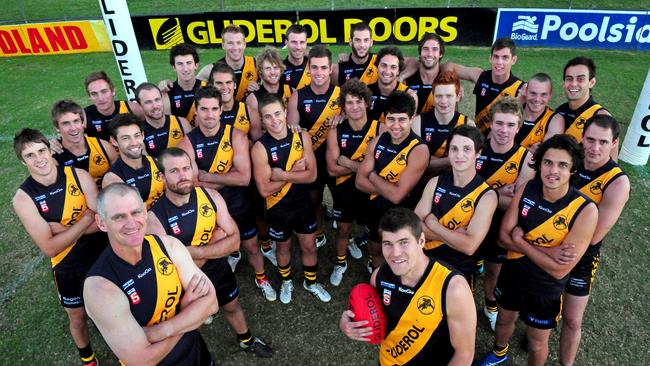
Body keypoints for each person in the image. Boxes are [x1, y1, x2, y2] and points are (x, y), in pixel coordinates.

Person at [475, 135, 598, 366]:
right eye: (548, 162)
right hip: (513, 273)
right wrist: (548, 251)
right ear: (539, 164)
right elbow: (503, 237)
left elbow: (559, 270)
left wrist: (521, 242)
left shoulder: (585, 209)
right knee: (503, 321)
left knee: (536, 343)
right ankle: (499, 353)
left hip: (545, 288)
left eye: (563, 165)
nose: (553, 170)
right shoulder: (527, 188)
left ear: (573, 170)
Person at [147, 148, 274, 357]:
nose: (183, 176)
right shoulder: (154, 218)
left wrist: (188, 252)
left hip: (219, 269)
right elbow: (171, 272)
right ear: (161, 176)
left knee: (232, 306)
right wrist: (215, 244)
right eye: (174, 171)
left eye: (186, 168)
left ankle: (246, 340)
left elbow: (234, 242)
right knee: (190, 327)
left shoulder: (210, 196)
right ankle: (193, 356)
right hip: (189, 284)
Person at [83, 183, 217, 365]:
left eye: (136, 212)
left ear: (145, 212)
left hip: (197, 355)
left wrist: (163, 330)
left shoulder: (168, 246)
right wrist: (187, 314)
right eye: (119, 217)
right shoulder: (100, 288)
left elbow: (212, 303)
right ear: (101, 223)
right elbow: (142, 360)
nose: (131, 223)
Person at [13, 128, 106, 366]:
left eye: (42, 150)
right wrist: (85, 219)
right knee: (77, 317)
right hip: (67, 264)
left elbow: (101, 222)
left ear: (50, 149)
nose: (39, 158)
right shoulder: (23, 199)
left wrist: (60, 230)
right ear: (23, 161)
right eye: (30, 155)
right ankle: (88, 359)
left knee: (116, 300)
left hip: (101, 251)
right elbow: (50, 248)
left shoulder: (78, 176)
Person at [340, 207, 476, 365]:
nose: (395, 253)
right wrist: (348, 324)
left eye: (403, 243)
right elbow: (372, 318)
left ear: (421, 241)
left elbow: (464, 355)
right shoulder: (379, 276)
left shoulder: (454, 288)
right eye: (388, 244)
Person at [559, 115, 629, 366]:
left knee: (572, 319)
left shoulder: (617, 182)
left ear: (613, 143)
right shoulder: (569, 161)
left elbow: (595, 234)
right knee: (543, 303)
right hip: (548, 243)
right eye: (589, 139)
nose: (594, 148)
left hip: (582, 254)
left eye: (603, 142)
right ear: (582, 137)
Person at [176, 87, 265, 282]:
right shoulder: (187, 142)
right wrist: (227, 176)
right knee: (215, 246)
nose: (209, 115)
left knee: (252, 245)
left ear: (221, 110)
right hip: (209, 208)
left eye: (214, 109)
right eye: (204, 109)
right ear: (196, 111)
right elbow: (190, 185)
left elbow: (244, 179)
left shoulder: (237, 136)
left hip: (238, 203)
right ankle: (229, 263)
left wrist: (207, 177)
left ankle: (262, 278)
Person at [252, 94, 332, 303]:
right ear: (262, 120)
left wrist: (281, 174)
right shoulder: (259, 148)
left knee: (310, 246)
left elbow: (312, 175)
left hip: (302, 204)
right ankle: (286, 281)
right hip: (277, 208)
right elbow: (264, 190)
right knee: (283, 248)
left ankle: (311, 282)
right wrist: (294, 174)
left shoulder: (301, 137)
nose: (274, 120)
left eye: (278, 113)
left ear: (286, 112)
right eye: (268, 116)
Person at [474, 96, 535, 331]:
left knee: (494, 270)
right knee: (466, 267)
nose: (504, 130)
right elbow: (462, 189)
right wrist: (499, 193)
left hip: (500, 226)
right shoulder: (477, 148)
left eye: (511, 125)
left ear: (518, 127)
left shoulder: (525, 159)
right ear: (491, 122)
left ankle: (490, 305)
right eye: (499, 123)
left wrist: (483, 192)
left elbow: (516, 205)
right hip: (469, 220)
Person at [415, 124, 497, 288]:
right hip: (425, 260)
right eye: (454, 149)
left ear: (478, 153)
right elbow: (414, 227)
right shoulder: (435, 182)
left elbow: (469, 247)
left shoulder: (487, 195)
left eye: (467, 149)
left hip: (459, 270)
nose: (459, 155)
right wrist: (453, 236)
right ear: (448, 152)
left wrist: (433, 225)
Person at [356, 91, 429, 270]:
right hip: (375, 211)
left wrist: (372, 175)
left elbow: (397, 196)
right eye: (391, 119)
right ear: (384, 118)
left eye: (402, 119)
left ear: (412, 119)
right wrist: (388, 188)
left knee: (402, 256)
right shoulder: (378, 141)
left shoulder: (419, 150)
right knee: (375, 250)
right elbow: (359, 181)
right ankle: (379, 279)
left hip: (402, 216)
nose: (396, 125)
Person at [325, 79, 382, 286]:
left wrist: (349, 163)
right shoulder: (336, 129)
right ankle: (341, 263)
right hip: (344, 189)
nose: (355, 107)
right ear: (343, 106)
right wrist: (365, 167)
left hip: (370, 189)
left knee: (372, 230)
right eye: (349, 103)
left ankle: (371, 260)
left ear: (367, 102)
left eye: (359, 101)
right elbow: (332, 168)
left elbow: (381, 168)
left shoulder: (380, 128)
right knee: (343, 229)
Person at [287, 45, 342, 248]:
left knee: (342, 200)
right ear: (308, 69)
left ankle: (343, 228)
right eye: (315, 67)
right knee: (314, 201)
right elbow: (293, 129)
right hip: (312, 159)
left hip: (337, 159)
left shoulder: (341, 95)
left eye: (323, 68)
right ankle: (319, 233)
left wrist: (345, 116)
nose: (319, 72)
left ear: (330, 70)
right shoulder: (298, 96)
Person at [446, 38, 524, 134]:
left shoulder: (521, 88)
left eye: (505, 58)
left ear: (513, 60)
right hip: (479, 139)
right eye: (496, 57)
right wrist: (452, 82)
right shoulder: (480, 75)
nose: (499, 62)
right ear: (490, 58)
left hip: (502, 140)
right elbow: (449, 65)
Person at [545, 57, 615, 158]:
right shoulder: (560, 111)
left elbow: (611, 165)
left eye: (580, 79)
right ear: (564, 83)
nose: (573, 84)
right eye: (569, 79)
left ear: (591, 83)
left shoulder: (602, 116)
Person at [411, 70, 474, 176]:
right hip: (422, 183)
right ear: (433, 96)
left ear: (458, 97)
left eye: (449, 96)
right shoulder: (418, 122)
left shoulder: (468, 124)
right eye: (439, 96)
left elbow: (468, 165)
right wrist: (451, 160)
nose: (443, 101)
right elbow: (418, 163)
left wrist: (432, 160)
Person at [50, 99, 118, 188]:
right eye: (66, 123)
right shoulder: (54, 157)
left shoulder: (103, 146)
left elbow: (121, 175)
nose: (73, 128)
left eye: (76, 121)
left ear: (82, 122)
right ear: (57, 127)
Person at [102, 114, 164, 209]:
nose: (134, 143)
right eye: (126, 138)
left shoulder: (156, 162)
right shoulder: (113, 180)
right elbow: (127, 218)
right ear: (114, 141)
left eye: (137, 136)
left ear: (142, 135)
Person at [197, 25, 259, 102]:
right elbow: (193, 95)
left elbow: (274, 85)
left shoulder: (257, 65)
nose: (235, 47)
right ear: (223, 45)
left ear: (244, 44)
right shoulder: (210, 70)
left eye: (238, 43)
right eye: (230, 43)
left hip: (251, 112)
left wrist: (260, 88)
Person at [246, 47, 294, 141]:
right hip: (268, 146)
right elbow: (256, 134)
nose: (273, 72)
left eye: (276, 68)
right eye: (268, 68)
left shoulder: (291, 92)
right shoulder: (253, 99)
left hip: (291, 142)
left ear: (281, 69)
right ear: (260, 71)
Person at [135, 82, 192, 158]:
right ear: (139, 105)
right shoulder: (138, 133)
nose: (155, 106)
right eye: (148, 102)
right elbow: (147, 165)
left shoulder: (182, 123)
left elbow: (192, 155)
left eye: (157, 100)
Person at [83, 70, 140, 141]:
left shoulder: (132, 108)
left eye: (104, 91)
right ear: (89, 96)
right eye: (94, 94)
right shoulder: (84, 116)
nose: (100, 98)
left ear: (113, 91)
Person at [159, 43, 206, 126]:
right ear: (174, 67)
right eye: (180, 64)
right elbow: (169, 126)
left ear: (196, 65)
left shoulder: (206, 88)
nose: (185, 69)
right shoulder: (167, 93)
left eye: (189, 63)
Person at [367, 46, 417, 122]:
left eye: (393, 67)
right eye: (384, 65)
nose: (387, 71)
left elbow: (408, 127)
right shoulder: (365, 92)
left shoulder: (409, 95)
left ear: (398, 71)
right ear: (377, 67)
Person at [208, 62, 256, 138]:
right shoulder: (206, 115)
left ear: (235, 85)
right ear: (211, 86)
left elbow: (258, 143)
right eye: (219, 83)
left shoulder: (249, 112)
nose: (224, 87)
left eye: (228, 82)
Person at [402, 33, 446, 114]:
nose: (430, 54)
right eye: (425, 49)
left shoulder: (446, 80)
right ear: (420, 53)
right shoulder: (407, 78)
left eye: (435, 49)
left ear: (441, 54)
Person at [515, 73, 554, 152]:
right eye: (533, 93)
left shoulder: (554, 119)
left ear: (550, 95)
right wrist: (529, 151)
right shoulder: (513, 111)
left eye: (543, 95)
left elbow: (547, 153)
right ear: (525, 92)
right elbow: (492, 142)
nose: (537, 99)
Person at [332, 22, 377, 86]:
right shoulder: (339, 69)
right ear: (350, 42)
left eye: (366, 40)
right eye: (358, 40)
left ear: (371, 42)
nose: (362, 45)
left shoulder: (380, 62)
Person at [283, 24, 311, 90]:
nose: (298, 47)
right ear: (286, 43)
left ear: (306, 43)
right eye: (294, 42)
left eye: (302, 42)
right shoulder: (279, 69)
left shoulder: (315, 65)